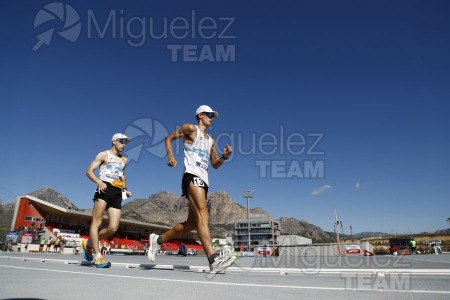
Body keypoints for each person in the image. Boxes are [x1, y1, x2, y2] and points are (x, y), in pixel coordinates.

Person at [147, 105, 236, 273]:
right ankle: (213, 258)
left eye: (213, 116)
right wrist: (171, 157)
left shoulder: (211, 140)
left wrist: (225, 156)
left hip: (204, 179)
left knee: (190, 224)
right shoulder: (190, 129)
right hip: (191, 176)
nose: (212, 118)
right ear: (200, 115)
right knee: (204, 214)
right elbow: (168, 138)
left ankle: (157, 240)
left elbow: (215, 164)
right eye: (209, 115)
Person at [80, 133, 132, 268]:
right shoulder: (104, 155)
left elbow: (123, 174)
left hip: (117, 192)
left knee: (113, 227)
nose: (124, 144)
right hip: (104, 188)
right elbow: (89, 171)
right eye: (122, 141)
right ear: (114, 141)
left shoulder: (124, 160)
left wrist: (125, 188)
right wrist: (98, 182)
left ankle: (88, 243)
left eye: (126, 142)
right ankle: (98, 257)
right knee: (96, 222)